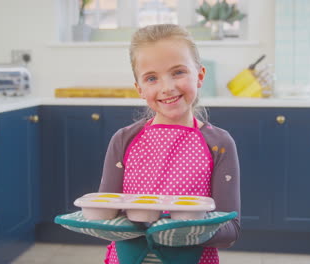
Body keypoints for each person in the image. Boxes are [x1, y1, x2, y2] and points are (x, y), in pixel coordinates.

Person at [98, 24, 240, 264]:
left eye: (178, 72)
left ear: (200, 76)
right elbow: (105, 216)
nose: (167, 87)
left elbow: (230, 231)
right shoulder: (123, 141)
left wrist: (183, 231)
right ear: (139, 89)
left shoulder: (219, 144)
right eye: (152, 78)